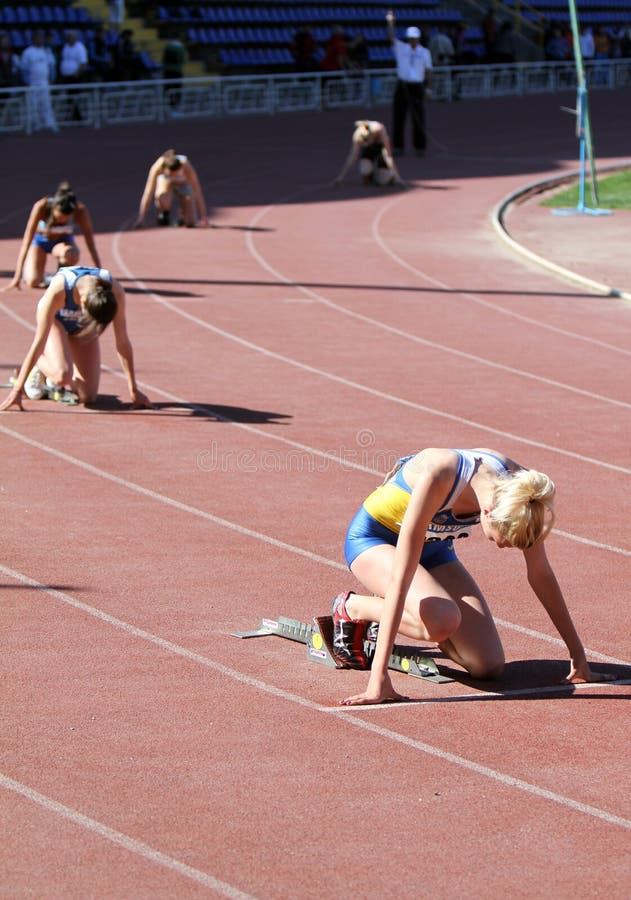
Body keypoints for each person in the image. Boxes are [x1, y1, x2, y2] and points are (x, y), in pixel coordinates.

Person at [331, 446, 615, 706]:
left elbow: (540, 574)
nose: (505, 546)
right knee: (442, 620)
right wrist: (378, 680)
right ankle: (353, 607)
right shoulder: (440, 474)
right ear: (488, 512)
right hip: (376, 541)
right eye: (505, 538)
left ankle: (423, 614)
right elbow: (401, 576)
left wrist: (578, 657)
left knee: (487, 666)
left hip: (434, 551)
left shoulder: (522, 493)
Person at [0, 266, 152, 410]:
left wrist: (134, 390)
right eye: (93, 320)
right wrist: (17, 391)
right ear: (83, 302)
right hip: (56, 321)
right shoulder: (59, 290)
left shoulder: (115, 292)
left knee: (89, 397)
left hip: (81, 327)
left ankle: (53, 378)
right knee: (62, 375)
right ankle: (39, 368)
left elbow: (122, 341)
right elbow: (39, 343)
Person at [4, 182, 101, 291]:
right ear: (54, 207)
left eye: (65, 220)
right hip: (40, 242)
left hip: (62, 243)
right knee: (33, 281)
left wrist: (100, 273)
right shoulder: (41, 207)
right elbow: (26, 241)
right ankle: (50, 278)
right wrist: (17, 277)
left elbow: (90, 244)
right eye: (59, 218)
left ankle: (60, 277)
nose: (61, 222)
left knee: (71, 254)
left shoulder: (80, 211)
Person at [385, 10, 433, 157]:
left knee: (418, 117)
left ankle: (420, 146)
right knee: (398, 116)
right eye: (410, 38)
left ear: (418, 39)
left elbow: (429, 71)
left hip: (416, 86)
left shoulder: (424, 52)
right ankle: (398, 146)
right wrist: (390, 23)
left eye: (415, 38)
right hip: (403, 85)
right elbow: (391, 38)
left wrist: (429, 88)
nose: (412, 41)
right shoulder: (401, 48)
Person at [135, 150, 208, 228]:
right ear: (165, 168)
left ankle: (183, 215)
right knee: (162, 198)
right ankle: (164, 213)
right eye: (171, 174)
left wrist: (204, 217)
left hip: (183, 184)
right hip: (166, 184)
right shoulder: (157, 168)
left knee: (191, 222)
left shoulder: (186, 166)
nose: (174, 176)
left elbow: (197, 191)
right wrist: (141, 219)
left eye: (176, 174)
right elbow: (148, 191)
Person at [333, 120, 405, 187]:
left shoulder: (380, 130)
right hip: (369, 149)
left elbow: (388, 157)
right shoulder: (358, 136)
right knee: (365, 174)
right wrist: (341, 177)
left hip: (380, 148)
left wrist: (397, 177)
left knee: (383, 182)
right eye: (364, 139)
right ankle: (370, 174)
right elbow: (352, 157)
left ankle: (389, 175)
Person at [20, 29, 58, 132]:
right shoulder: (28, 52)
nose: (40, 40)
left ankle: (49, 123)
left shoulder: (47, 51)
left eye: (41, 38)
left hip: (44, 82)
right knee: (33, 105)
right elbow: (24, 69)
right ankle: (35, 124)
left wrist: (52, 79)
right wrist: (27, 82)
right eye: (38, 38)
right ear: (33, 39)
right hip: (32, 83)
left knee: (46, 104)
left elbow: (51, 66)